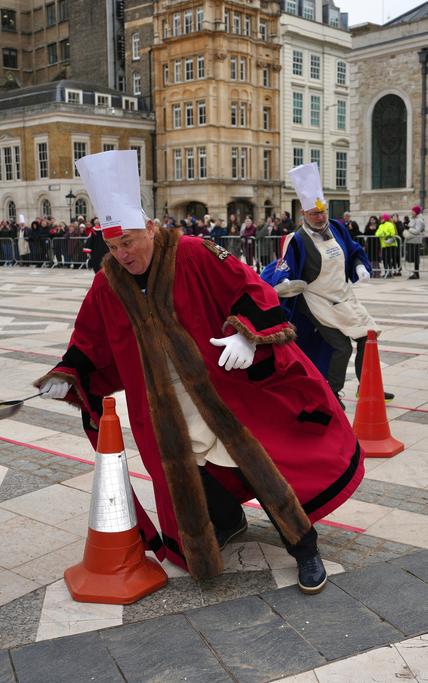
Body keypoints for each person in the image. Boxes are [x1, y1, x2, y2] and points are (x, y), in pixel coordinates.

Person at [34, 150, 364, 594]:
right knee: (185, 473)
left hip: (224, 388)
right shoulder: (107, 280)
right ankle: (224, 525)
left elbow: (253, 289)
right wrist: (67, 374)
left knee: (259, 464)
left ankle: (304, 546)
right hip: (164, 404)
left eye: (128, 242)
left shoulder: (193, 253)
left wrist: (248, 336)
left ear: (149, 229)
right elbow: (90, 338)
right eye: (112, 247)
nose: (121, 254)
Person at [261, 163, 391, 403]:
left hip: (344, 296)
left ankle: (368, 386)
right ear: (304, 215)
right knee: (341, 346)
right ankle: (332, 393)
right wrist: (284, 280)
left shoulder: (338, 227)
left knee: (368, 336)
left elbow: (353, 250)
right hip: (316, 300)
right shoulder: (296, 239)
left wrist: (361, 265)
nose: (320, 217)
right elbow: (283, 265)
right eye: (314, 214)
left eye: (322, 212)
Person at [404, 206, 425, 279]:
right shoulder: (413, 219)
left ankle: (416, 273)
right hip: (411, 240)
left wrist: (408, 228)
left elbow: (417, 230)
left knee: (416, 257)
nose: (411, 212)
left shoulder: (419, 220)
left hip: (416, 241)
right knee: (413, 257)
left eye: (413, 211)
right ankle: (415, 272)